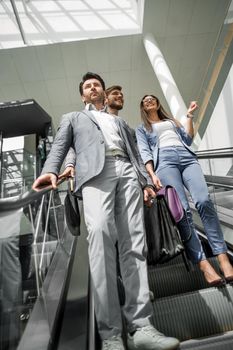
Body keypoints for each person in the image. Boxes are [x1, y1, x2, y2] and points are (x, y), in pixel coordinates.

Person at [32, 74, 180, 350]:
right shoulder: (74, 118)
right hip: (95, 177)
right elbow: (61, 146)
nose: (93, 88)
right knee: (99, 239)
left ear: (102, 90)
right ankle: (111, 335)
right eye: (88, 86)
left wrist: (145, 182)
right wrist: (50, 171)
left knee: (135, 246)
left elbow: (135, 153)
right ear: (83, 95)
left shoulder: (120, 121)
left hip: (127, 172)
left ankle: (142, 328)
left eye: (96, 84)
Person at [136, 94, 233, 286]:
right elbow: (144, 152)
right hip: (163, 162)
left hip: (187, 158)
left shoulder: (171, 122)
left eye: (152, 98)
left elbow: (188, 139)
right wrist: (151, 174)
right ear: (143, 107)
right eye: (145, 99)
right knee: (183, 212)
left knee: (204, 201)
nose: (149, 100)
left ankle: (223, 258)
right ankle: (203, 263)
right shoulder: (142, 129)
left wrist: (189, 116)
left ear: (157, 103)